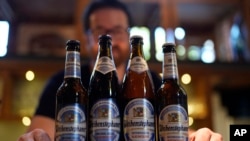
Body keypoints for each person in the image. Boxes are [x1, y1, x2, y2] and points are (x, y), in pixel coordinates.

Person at [17, 0, 223, 141]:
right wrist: (36, 137)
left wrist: (203, 135)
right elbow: (42, 130)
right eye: (101, 32)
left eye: (117, 30)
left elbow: (175, 128)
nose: (111, 39)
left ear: (129, 36)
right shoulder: (64, 82)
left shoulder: (150, 79)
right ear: (88, 38)